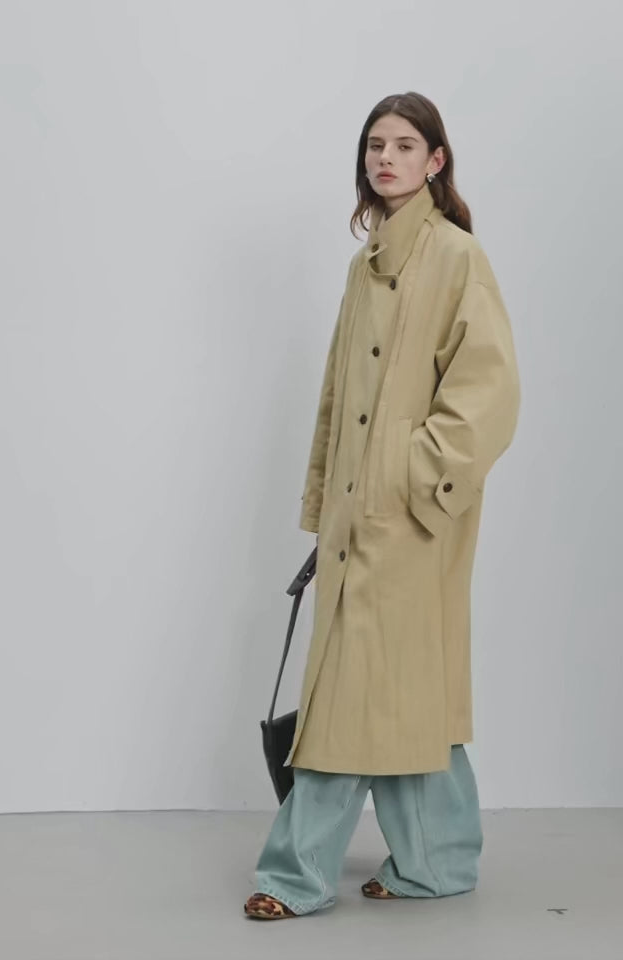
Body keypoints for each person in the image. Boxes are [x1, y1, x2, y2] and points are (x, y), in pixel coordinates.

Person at [244, 91, 521, 920]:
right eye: (374, 145)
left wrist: (414, 473)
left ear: (436, 161)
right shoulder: (364, 266)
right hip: (357, 520)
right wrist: (327, 505)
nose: (385, 158)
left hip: (413, 520)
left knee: (349, 696)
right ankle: (438, 864)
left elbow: (489, 391)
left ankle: (295, 876)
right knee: (408, 694)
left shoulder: (458, 257)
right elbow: (339, 398)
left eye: (403, 145)